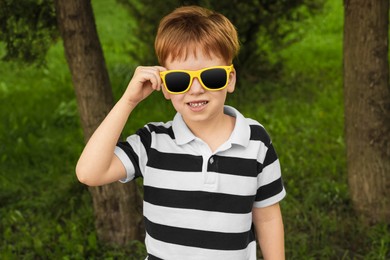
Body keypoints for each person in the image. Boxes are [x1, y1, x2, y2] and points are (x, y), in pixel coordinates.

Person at [76, 5, 286, 260]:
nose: (195, 89)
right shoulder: (152, 143)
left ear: (230, 79)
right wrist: (128, 101)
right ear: (165, 87)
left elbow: (267, 218)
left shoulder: (256, 141)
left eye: (211, 77)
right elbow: (89, 173)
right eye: (179, 80)